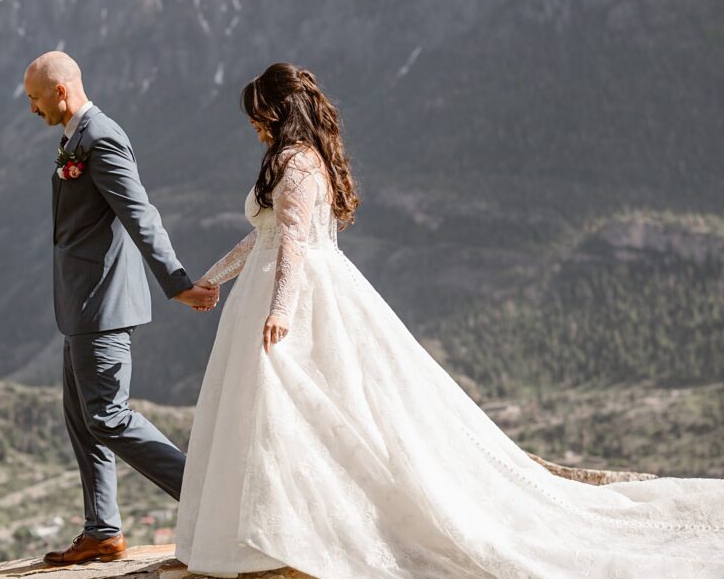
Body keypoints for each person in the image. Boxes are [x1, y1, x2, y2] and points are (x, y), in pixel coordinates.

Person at [174, 62, 724, 578]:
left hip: (295, 297)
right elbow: (266, 237)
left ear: (277, 110)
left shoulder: (295, 163)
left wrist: (280, 309)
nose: (253, 125)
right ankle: (272, 532)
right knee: (290, 411)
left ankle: (284, 532)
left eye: (258, 113)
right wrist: (213, 278)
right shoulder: (302, 158)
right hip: (281, 289)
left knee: (292, 410)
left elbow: (293, 242)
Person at [22, 51, 220, 565]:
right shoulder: (75, 139)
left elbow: (139, 214)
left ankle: (213, 502)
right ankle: (102, 530)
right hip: (81, 305)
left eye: (35, 99)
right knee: (82, 418)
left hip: (102, 306)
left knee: (108, 417)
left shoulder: (102, 138)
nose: (32, 109)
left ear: (61, 91)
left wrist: (176, 283)